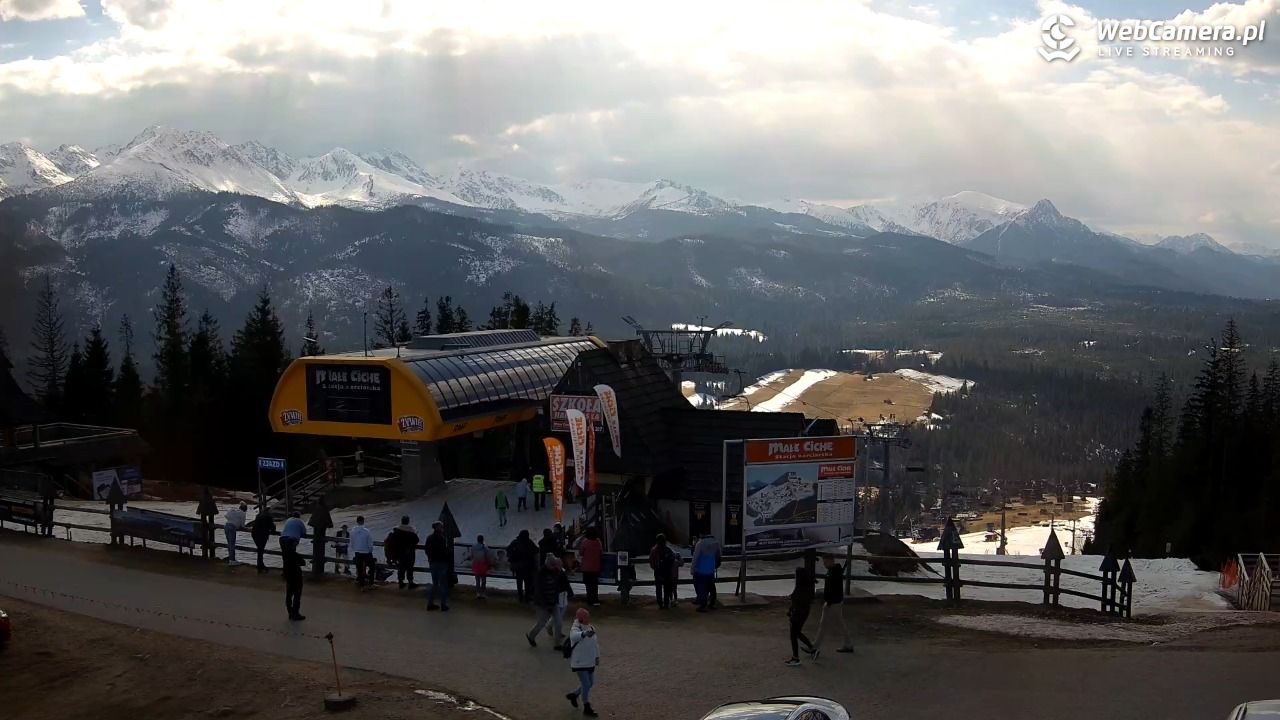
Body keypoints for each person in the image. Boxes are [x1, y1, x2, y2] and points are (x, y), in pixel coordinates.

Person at [810, 555, 854, 658]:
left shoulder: (834, 572)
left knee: (823, 625)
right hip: (835, 601)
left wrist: (828, 601)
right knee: (839, 623)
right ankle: (848, 644)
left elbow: (833, 588)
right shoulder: (834, 570)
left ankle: (814, 646)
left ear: (831, 561)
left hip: (832, 602)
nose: (824, 565)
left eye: (825, 563)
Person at [526, 555, 572, 649]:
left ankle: (557, 644)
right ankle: (531, 636)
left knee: (559, 622)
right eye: (552, 565)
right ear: (548, 564)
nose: (554, 567)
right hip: (543, 604)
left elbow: (562, 583)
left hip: (553, 602)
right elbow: (539, 592)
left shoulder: (556, 572)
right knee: (541, 623)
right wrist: (546, 605)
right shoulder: (540, 574)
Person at [565, 607, 601, 718]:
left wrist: (597, 656)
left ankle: (574, 695)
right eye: (586, 617)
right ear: (580, 619)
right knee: (586, 684)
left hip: (589, 661)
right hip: (579, 662)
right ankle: (586, 706)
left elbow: (595, 643)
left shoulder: (591, 627)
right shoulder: (575, 628)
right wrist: (584, 633)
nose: (588, 619)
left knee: (590, 683)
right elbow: (574, 636)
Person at [785, 567, 817, 667]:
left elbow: (796, 602)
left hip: (798, 613)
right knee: (797, 633)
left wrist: (791, 611)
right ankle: (812, 649)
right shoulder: (807, 587)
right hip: (804, 612)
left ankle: (796, 658)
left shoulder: (800, 588)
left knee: (793, 635)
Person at [692, 533, 722, 612]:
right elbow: (719, 556)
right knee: (711, 587)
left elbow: (695, 557)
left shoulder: (700, 543)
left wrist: (692, 569)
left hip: (701, 570)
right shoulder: (716, 543)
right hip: (710, 570)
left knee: (701, 587)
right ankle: (712, 603)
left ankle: (702, 604)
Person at [425, 521, 451, 611]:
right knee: (443, 584)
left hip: (433, 563)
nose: (443, 528)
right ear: (438, 528)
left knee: (435, 584)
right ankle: (443, 604)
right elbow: (445, 551)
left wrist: (430, 558)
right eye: (441, 527)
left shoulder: (429, 538)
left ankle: (430, 603)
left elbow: (426, 550)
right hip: (441, 563)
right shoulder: (442, 539)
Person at [508, 529, 539, 603]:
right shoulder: (529, 542)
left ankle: (520, 596)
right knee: (527, 582)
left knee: (519, 582)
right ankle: (527, 597)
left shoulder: (515, 542)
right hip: (528, 566)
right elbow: (536, 550)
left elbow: (508, 549)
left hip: (518, 566)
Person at [390, 516, 420, 589]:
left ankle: (401, 582)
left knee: (401, 567)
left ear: (402, 521)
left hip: (399, 552)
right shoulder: (411, 530)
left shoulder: (396, 531)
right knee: (410, 568)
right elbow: (416, 540)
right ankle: (410, 582)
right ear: (408, 521)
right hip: (409, 552)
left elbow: (392, 541)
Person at [648, 534, 677, 609]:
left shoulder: (654, 550)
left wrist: (655, 568)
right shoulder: (668, 549)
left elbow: (651, 562)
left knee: (658, 588)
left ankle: (660, 603)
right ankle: (666, 604)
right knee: (667, 588)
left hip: (658, 572)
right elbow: (673, 558)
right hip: (667, 572)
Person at [578, 527, 603, 606]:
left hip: (586, 567)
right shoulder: (598, 542)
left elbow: (581, 552)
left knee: (588, 584)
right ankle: (595, 599)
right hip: (596, 566)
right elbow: (601, 552)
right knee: (594, 584)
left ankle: (590, 599)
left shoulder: (585, 542)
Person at [350, 515, 375, 588]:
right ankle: (371, 584)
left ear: (357, 522)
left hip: (357, 552)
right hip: (366, 552)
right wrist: (370, 551)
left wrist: (355, 549)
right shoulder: (367, 531)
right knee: (372, 567)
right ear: (363, 521)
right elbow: (370, 543)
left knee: (359, 569)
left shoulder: (353, 531)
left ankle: (362, 586)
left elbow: (351, 542)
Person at [283, 544, 307, 621]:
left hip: (289, 579)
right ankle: (296, 613)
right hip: (297, 578)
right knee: (297, 596)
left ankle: (290, 613)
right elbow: (303, 563)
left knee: (289, 596)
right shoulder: (296, 555)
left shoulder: (286, 557)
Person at [250, 507, 275, 573]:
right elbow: (272, 526)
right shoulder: (268, 516)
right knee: (260, 550)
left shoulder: (258, 515)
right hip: (262, 534)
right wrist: (273, 531)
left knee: (260, 549)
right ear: (269, 511)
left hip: (254, 533)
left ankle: (260, 565)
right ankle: (260, 566)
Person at [470, 534, 492, 599]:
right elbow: (488, 556)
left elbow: (471, 556)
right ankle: (483, 593)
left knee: (477, 579)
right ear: (482, 540)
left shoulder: (473, 547)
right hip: (483, 565)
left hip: (476, 564)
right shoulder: (484, 547)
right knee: (483, 579)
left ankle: (478, 593)